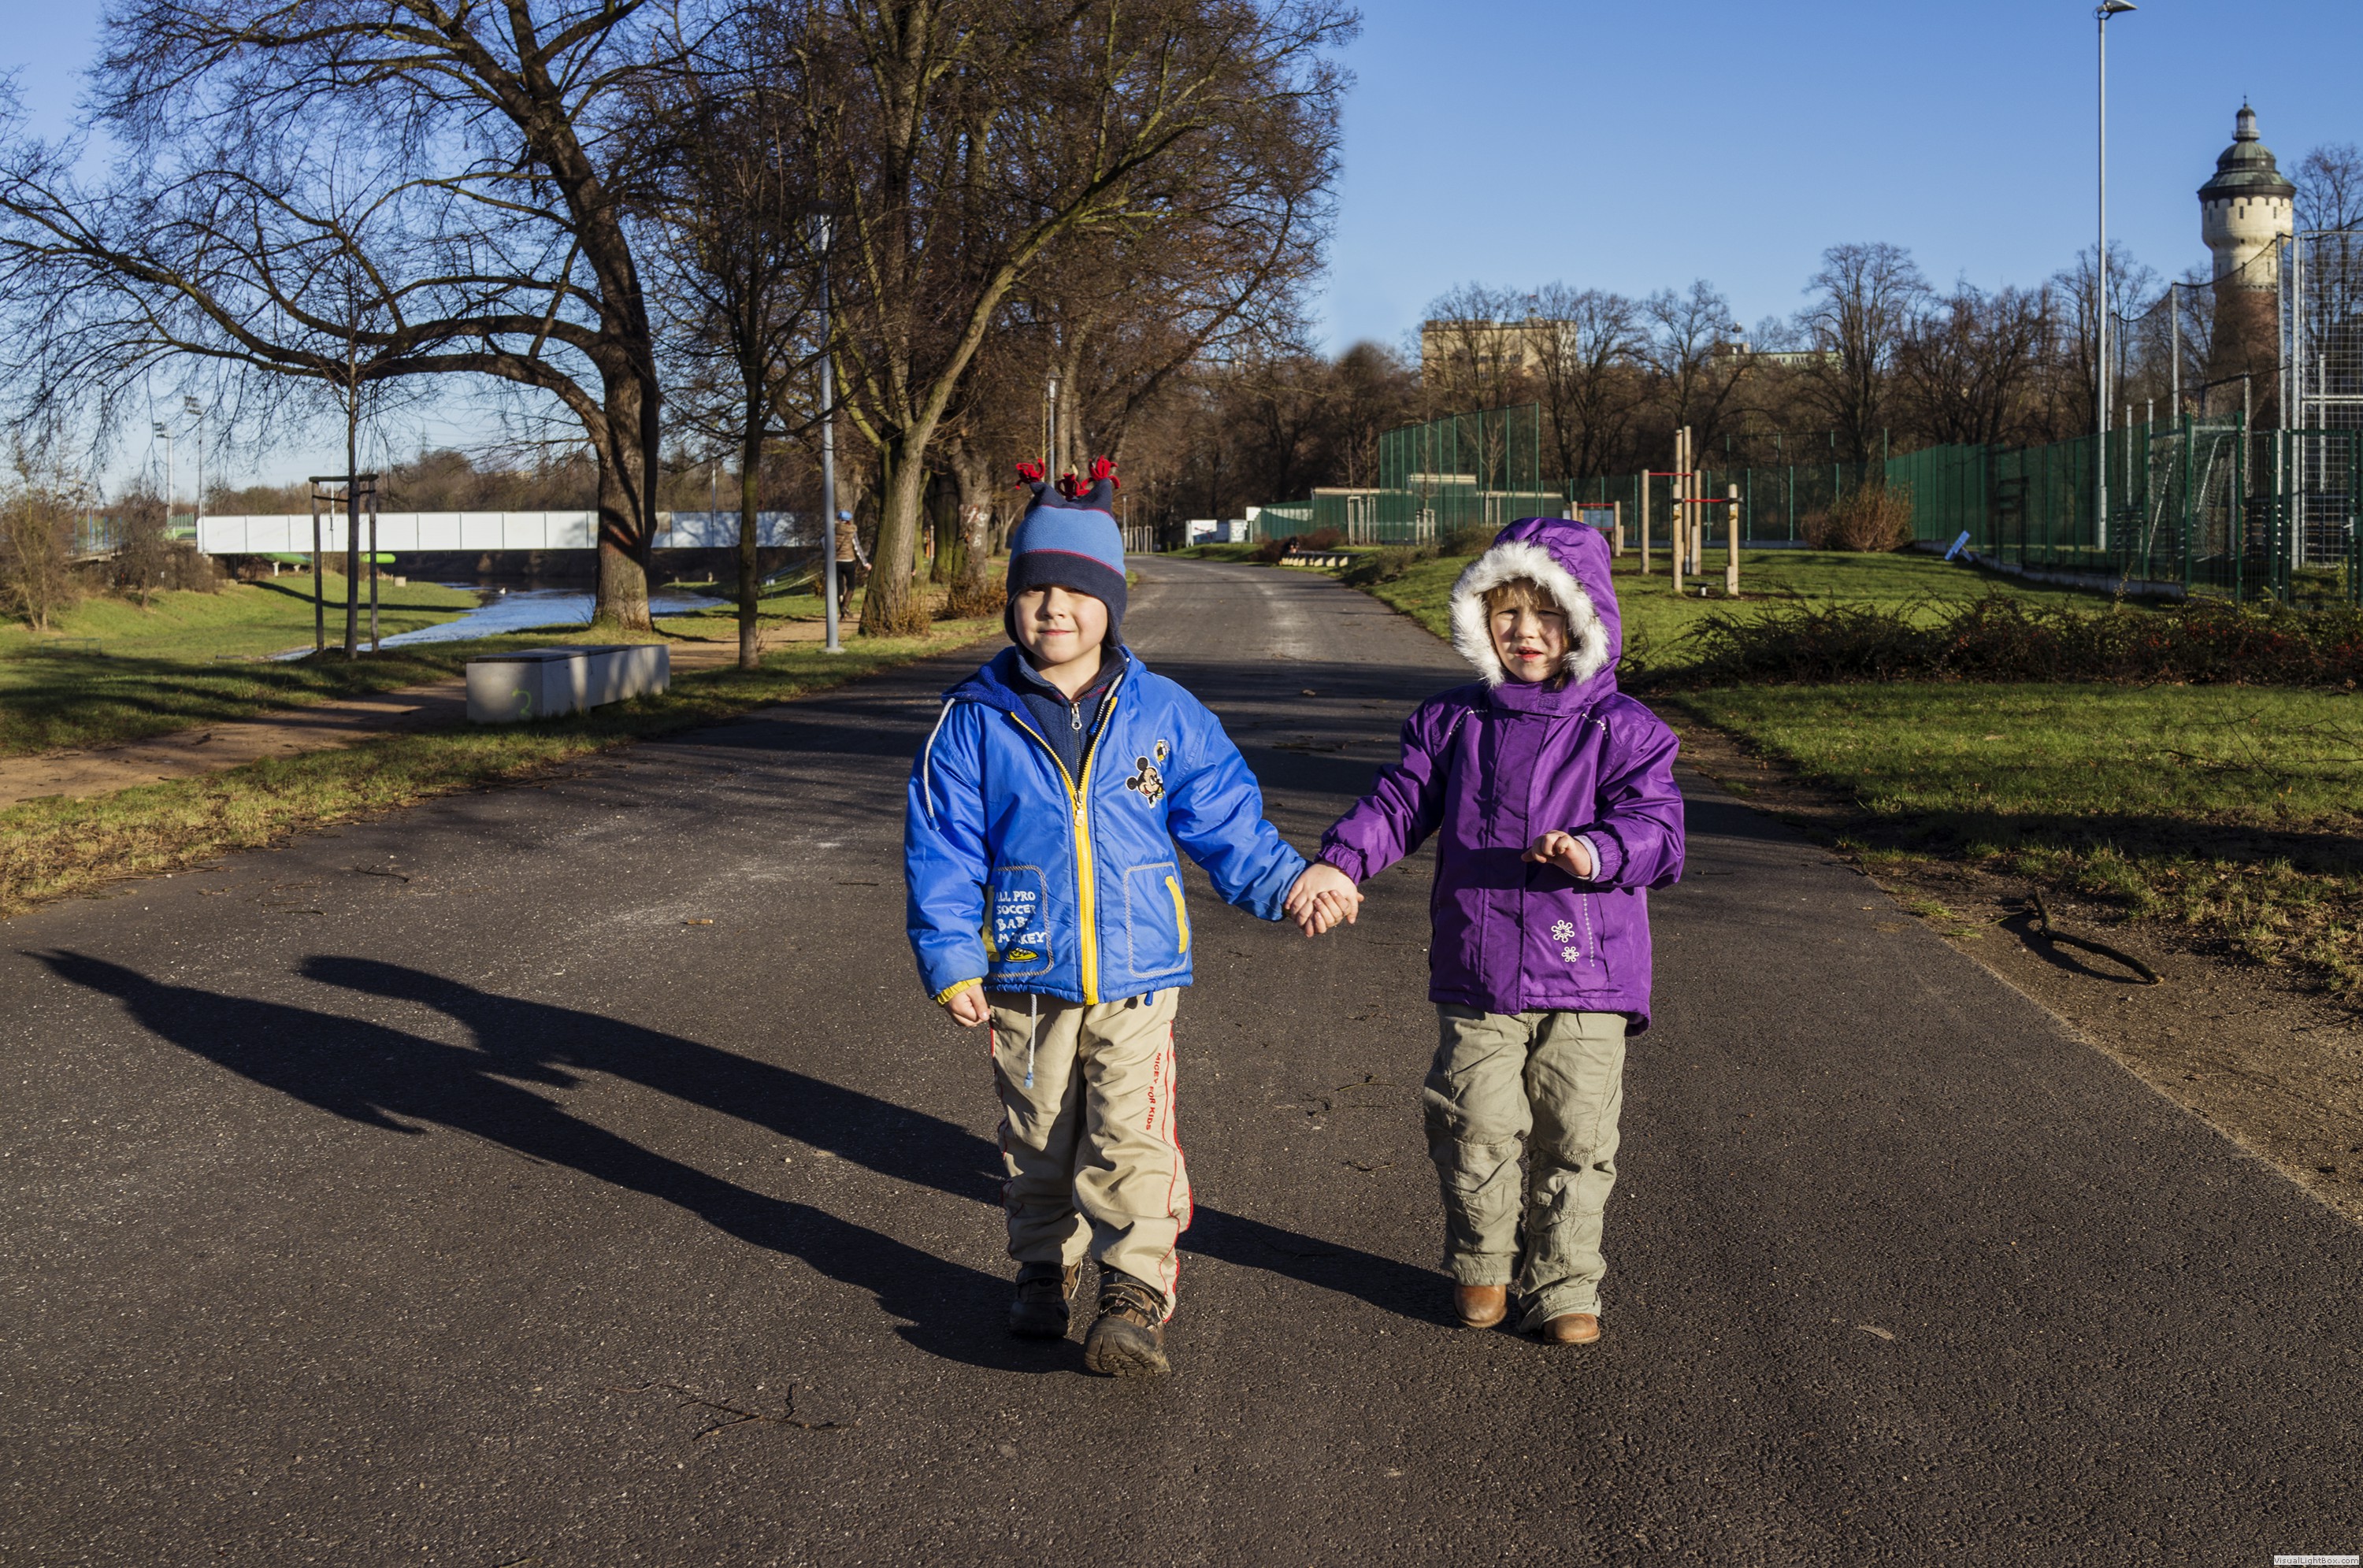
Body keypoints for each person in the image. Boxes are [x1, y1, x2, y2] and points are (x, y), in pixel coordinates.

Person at [904, 458, 1341, 1377]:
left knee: (1130, 1133)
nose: (1054, 608)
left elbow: (1225, 819)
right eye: (1035, 590)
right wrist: (951, 956)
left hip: (1138, 973)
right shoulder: (974, 720)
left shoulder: (1163, 713)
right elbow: (941, 845)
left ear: (1110, 603)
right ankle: (1043, 1262)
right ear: (1011, 601)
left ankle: (1133, 1289)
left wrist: (1289, 880)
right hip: (1024, 972)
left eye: (1076, 591)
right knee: (1037, 1132)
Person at [1287, 517, 1683, 1344]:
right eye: (1508, 613)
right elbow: (1399, 802)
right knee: (1474, 1120)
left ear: (1586, 620)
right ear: (1480, 619)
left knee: (1577, 1131)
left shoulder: (1624, 729)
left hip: (1590, 970)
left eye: (1548, 614)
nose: (1527, 632)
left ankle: (1565, 1280)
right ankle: (1482, 1260)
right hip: (1480, 964)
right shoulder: (1453, 723)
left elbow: (1659, 829)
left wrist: (1596, 850)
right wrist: (1341, 862)